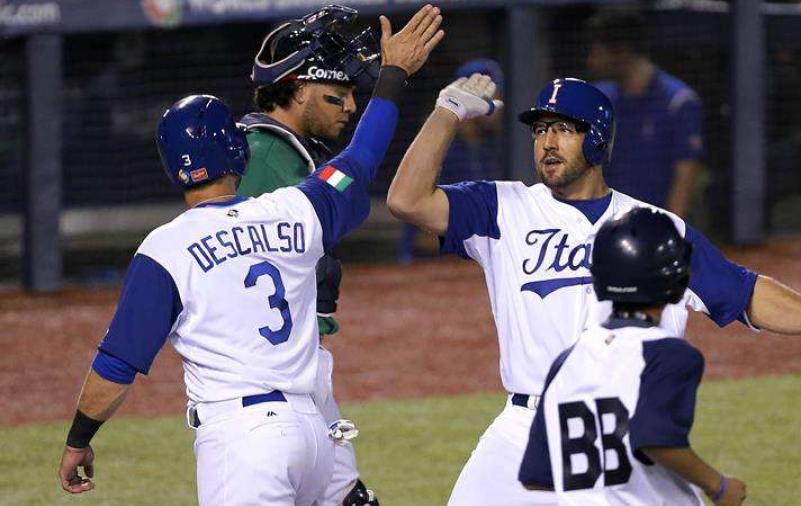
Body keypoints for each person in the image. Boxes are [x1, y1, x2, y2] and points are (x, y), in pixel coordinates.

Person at [386, 76, 801, 505]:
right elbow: (406, 199)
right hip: (524, 426)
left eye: (563, 129)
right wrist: (446, 113)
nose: (546, 142)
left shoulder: (654, 226)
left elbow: (741, 291)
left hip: (623, 433)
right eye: (540, 130)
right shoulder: (502, 207)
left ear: (598, 138)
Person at [56, 6, 444, 505]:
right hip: (314, 427)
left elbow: (117, 363)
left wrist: (78, 439)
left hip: (242, 436)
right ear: (240, 153)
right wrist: (394, 76)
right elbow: (362, 160)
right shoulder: (295, 208)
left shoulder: (164, 249)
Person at [237, 6, 394, 503]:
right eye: (338, 93)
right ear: (299, 88)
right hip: (261, 387)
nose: (349, 105)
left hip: (297, 376)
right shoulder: (261, 157)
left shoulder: (283, 153)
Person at [519, 207, 747, 506]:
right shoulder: (669, 354)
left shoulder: (567, 360)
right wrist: (719, 486)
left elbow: (537, 476)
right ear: (675, 279)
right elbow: (655, 438)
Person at [587, 10, 703, 217]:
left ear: (622, 52)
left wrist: (670, 233)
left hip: (653, 225)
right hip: (604, 223)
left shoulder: (678, 102)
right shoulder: (599, 99)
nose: (591, 61)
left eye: (598, 52)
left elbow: (684, 179)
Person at [398, 57, 504, 263]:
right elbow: (420, 231)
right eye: (494, 94)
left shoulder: (487, 149)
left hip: (465, 259)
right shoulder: (441, 149)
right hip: (427, 263)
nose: (499, 102)